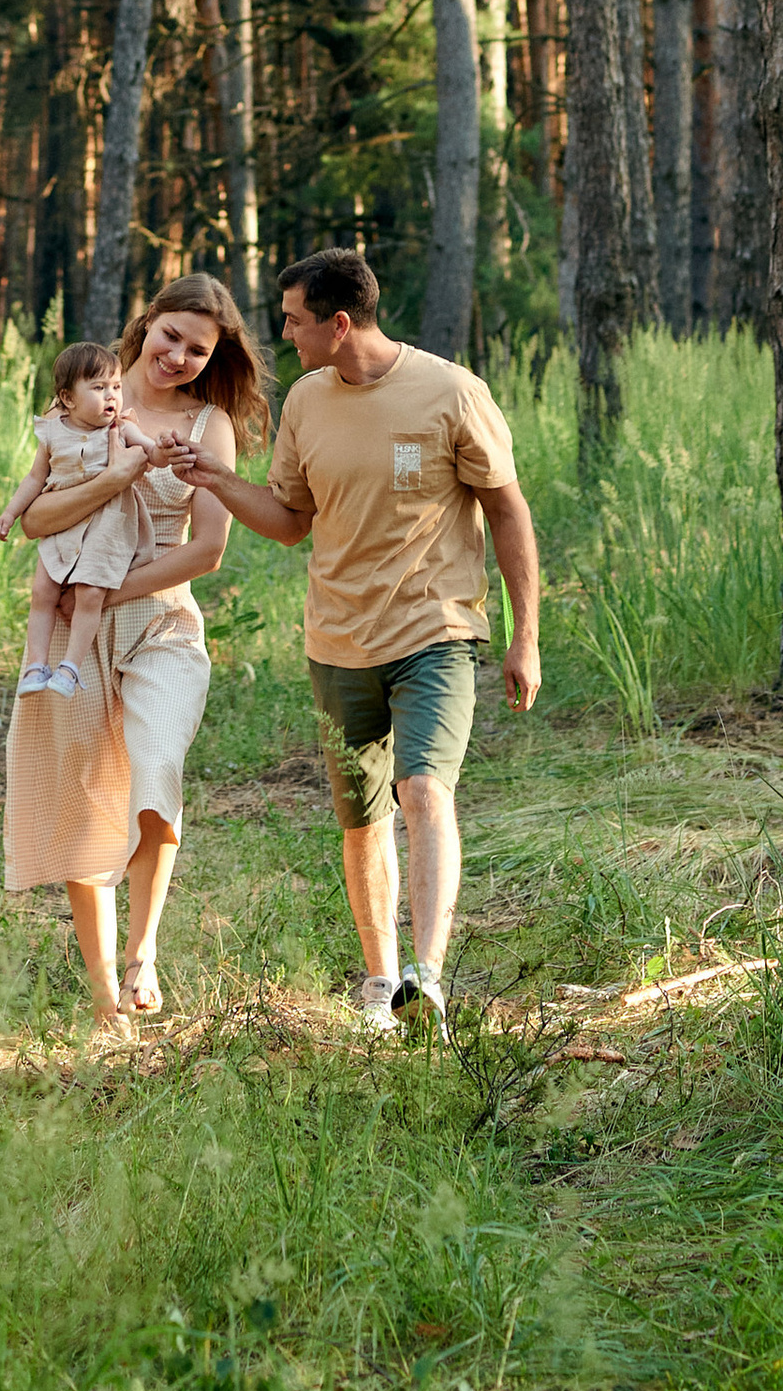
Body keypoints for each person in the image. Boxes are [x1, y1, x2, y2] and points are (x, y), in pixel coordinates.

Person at [166, 247, 539, 1034]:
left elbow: (508, 511)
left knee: (424, 788)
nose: (286, 335)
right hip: (337, 640)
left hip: (434, 630)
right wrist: (216, 480)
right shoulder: (306, 400)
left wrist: (523, 635)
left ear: (339, 323)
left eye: (296, 321)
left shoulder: (451, 391)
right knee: (361, 817)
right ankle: (380, 984)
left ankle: (427, 975)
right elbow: (292, 520)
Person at [2, 272, 275, 1032]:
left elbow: (210, 549)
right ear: (146, 322)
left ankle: (142, 949)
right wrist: (116, 473)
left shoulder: (208, 425)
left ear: (213, 356)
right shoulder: (87, 403)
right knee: (86, 795)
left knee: (156, 770)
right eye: (171, 335)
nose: (179, 355)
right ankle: (101, 999)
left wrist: (112, 588)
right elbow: (37, 520)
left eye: (198, 347)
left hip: (159, 624)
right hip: (75, 634)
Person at [0, 342, 155, 698]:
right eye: (98, 388)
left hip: (107, 525)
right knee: (42, 591)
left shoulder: (122, 429)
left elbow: (149, 449)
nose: (111, 395)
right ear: (67, 399)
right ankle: (36, 665)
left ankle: (70, 667)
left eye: (115, 386)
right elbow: (35, 479)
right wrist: (10, 513)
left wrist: (164, 450)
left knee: (90, 592)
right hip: (63, 523)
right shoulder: (53, 432)